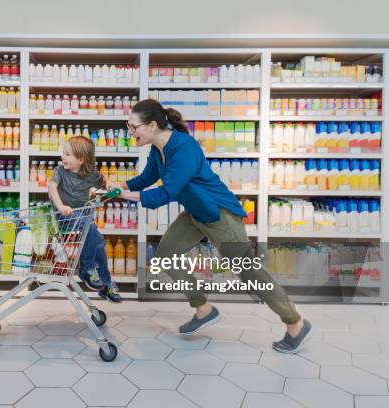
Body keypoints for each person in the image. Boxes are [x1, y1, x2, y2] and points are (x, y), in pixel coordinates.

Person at [109, 99, 312, 353]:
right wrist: (120, 187)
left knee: (248, 271)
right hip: (195, 212)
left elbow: (167, 192)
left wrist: (125, 196)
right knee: (165, 257)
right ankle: (204, 309)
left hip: (219, 214)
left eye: (133, 127)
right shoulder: (157, 148)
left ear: (151, 125)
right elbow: (147, 178)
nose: (130, 133)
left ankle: (295, 323)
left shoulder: (184, 147)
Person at [48, 136, 122, 303]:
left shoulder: (91, 175)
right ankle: (87, 269)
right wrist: (61, 207)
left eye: (67, 154)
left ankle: (106, 283)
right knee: (93, 232)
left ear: (81, 159)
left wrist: (108, 187)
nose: (63, 157)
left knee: (98, 241)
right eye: (63, 153)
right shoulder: (60, 172)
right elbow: (52, 187)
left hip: (83, 220)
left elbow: (104, 181)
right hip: (65, 217)